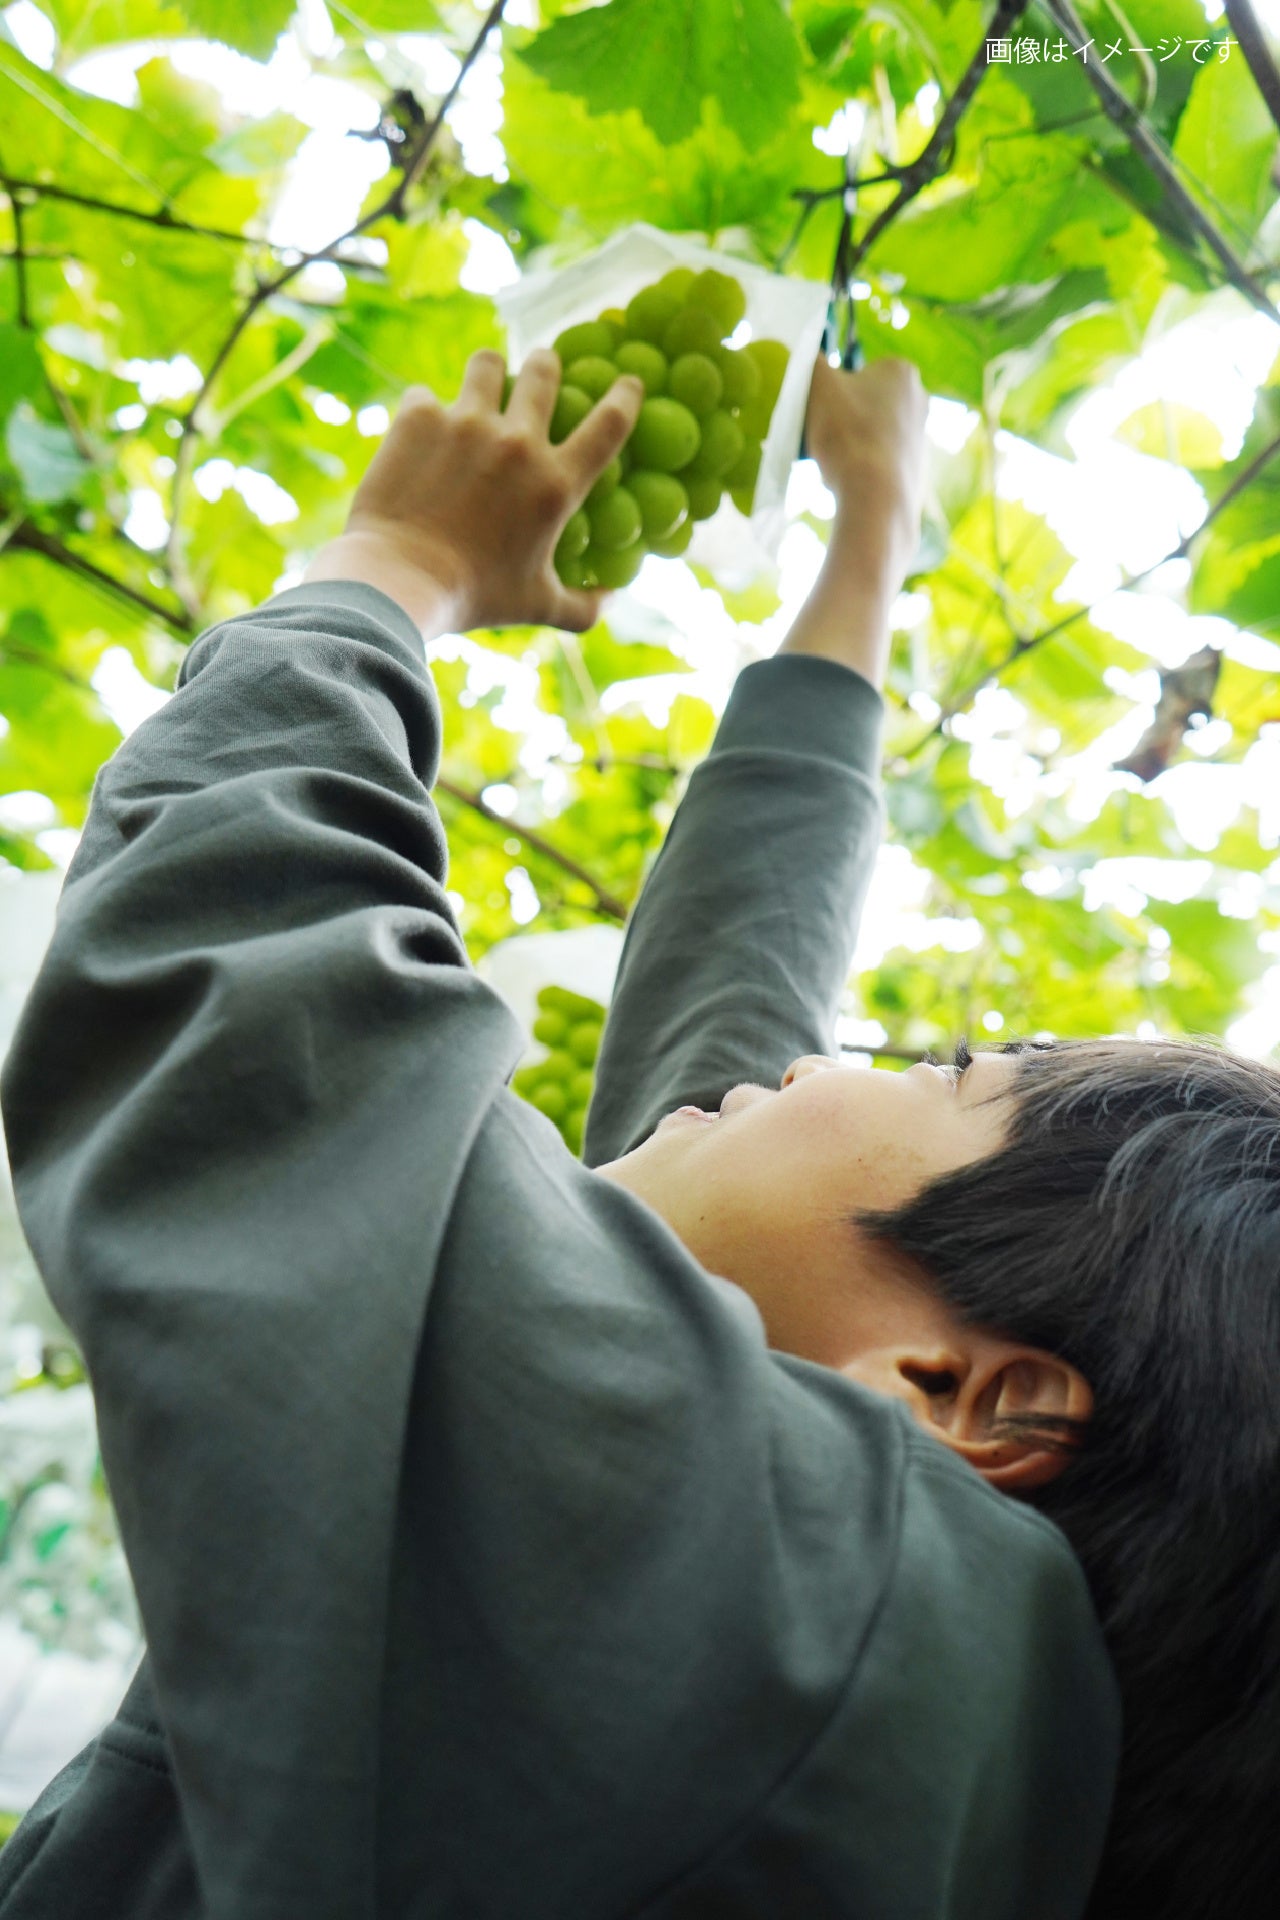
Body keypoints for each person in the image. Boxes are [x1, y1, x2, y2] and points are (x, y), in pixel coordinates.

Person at [0, 335, 1216, 1917]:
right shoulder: (900, 1716)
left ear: (968, 1397)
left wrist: (401, 563)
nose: (820, 1067)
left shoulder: (817, 1624)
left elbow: (259, 991)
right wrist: (869, 539)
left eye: (940, 1073)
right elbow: (734, 1025)